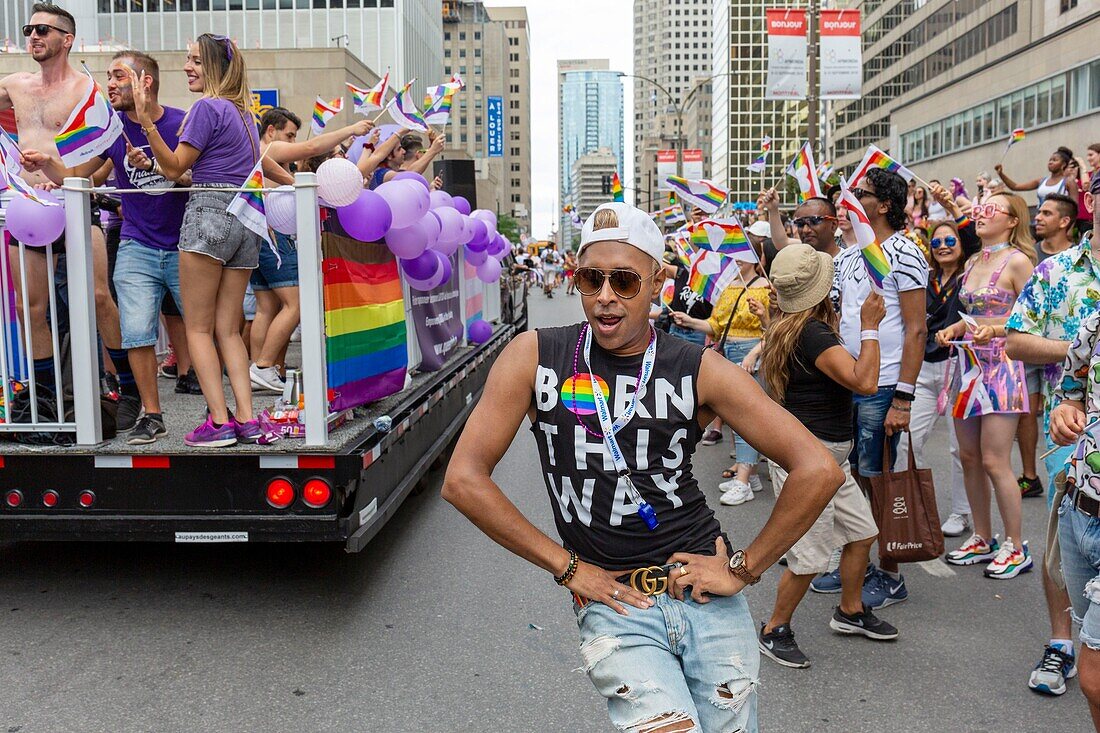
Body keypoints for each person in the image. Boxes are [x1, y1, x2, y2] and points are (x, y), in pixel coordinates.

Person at [442, 201, 844, 733]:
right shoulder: (535, 356)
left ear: (657, 284)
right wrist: (566, 566)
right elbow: (462, 480)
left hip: (703, 595)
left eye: (625, 282)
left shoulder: (696, 367)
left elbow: (818, 468)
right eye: (591, 279)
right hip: (616, 606)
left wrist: (743, 569)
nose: (605, 296)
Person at [22, 49, 190, 444]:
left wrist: (155, 165)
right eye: (108, 76)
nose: (109, 84)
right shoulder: (110, 130)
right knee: (135, 332)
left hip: (185, 245)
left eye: (118, 76)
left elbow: (194, 175)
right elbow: (82, 176)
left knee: (206, 332)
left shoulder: (183, 122)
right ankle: (151, 413)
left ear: (144, 81)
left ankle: (223, 412)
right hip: (136, 243)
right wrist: (46, 165)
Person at [756, 244, 894, 669]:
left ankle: (850, 611)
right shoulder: (813, 332)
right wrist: (870, 327)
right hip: (811, 463)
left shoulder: (791, 324)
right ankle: (774, 629)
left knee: (862, 533)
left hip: (829, 459)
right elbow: (865, 381)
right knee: (810, 557)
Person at [0, 3, 136, 426]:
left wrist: (61, 173)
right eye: (29, 29)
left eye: (44, 29)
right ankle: (42, 397)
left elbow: (98, 158)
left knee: (99, 298)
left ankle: (128, 389)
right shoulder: (16, 85)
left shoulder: (86, 91)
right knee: (31, 306)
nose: (34, 36)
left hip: (74, 202)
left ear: (67, 39)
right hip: (27, 209)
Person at [130, 33, 262, 447]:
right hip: (244, 220)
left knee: (199, 330)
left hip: (207, 216)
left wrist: (146, 122)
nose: (187, 67)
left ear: (215, 69)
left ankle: (219, 423)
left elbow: (173, 170)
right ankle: (247, 418)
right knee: (227, 330)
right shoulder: (245, 115)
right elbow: (208, 172)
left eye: (195, 62)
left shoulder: (207, 107)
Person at [811, 168, 928, 609]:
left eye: (861, 194)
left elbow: (917, 330)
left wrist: (903, 396)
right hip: (850, 381)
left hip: (883, 386)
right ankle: (855, 567)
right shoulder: (847, 255)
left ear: (883, 206)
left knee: (880, 480)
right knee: (853, 478)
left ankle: (890, 572)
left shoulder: (905, 252)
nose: (851, 201)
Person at [1006, 170, 1100, 696]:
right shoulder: (1057, 272)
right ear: (1090, 200)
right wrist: (1083, 350)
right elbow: (1016, 341)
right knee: (1064, 548)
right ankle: (1063, 642)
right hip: (1070, 437)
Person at [937, 193, 1036, 578]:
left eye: (991, 210)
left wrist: (995, 329)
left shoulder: (1018, 261)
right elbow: (970, 314)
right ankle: (982, 536)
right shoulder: (975, 260)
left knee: (995, 460)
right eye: (979, 209)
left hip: (1002, 371)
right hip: (968, 367)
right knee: (969, 458)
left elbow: (1031, 316)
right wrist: (954, 328)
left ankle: (1015, 545)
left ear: (1012, 220)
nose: (981, 215)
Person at [246, 107, 374, 393]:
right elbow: (313, 146)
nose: (292, 144)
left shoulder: (260, 155)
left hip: (259, 231)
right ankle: (264, 365)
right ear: (271, 130)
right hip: (275, 235)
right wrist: (351, 129)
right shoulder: (271, 149)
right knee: (297, 304)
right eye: (289, 136)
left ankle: (261, 370)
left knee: (266, 308)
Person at [670, 239, 770, 503]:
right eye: (733, 254)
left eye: (742, 253)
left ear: (756, 257)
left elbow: (775, 329)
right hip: (729, 353)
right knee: (737, 419)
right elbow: (715, 325)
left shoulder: (766, 288)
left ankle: (744, 480)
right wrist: (689, 321)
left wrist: (753, 353)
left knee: (748, 417)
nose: (736, 258)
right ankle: (752, 475)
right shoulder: (729, 288)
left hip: (754, 354)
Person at [894, 216, 972, 537]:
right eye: (936, 242)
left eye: (949, 241)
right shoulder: (924, 279)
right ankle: (914, 506)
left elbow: (977, 313)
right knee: (905, 440)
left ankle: (962, 512)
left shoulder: (972, 277)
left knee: (960, 448)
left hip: (960, 366)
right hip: (923, 366)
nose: (942, 246)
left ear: (962, 245)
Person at [997, 146, 1080, 208]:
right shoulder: (1041, 181)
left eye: (1055, 160)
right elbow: (1015, 187)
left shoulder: (1068, 182)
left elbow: (1074, 207)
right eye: (1050, 160)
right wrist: (1001, 174)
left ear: (1064, 164)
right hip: (1041, 220)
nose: (1050, 162)